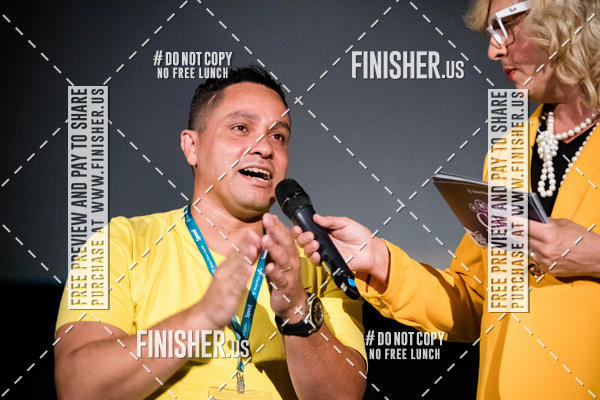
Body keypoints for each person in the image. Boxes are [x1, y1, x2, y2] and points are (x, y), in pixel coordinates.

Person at [296, 0, 600, 398]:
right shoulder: (507, 152)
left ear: (567, 15)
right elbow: (475, 301)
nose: (493, 50)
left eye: (505, 26)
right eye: (490, 33)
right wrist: (380, 262)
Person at [54, 66, 366, 400]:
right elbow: (78, 386)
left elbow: (344, 397)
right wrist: (201, 317)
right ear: (192, 146)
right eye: (241, 128)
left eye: (278, 136)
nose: (265, 148)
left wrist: (297, 310)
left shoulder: (320, 258)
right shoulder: (116, 242)